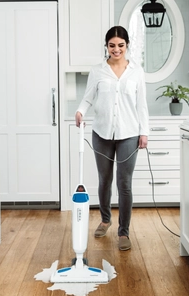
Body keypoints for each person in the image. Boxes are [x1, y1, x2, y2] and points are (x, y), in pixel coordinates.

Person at [75, 26, 149, 251]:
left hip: (129, 133)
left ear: (127, 46)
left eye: (120, 45)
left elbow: (141, 105)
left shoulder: (136, 71)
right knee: (104, 180)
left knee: (124, 183)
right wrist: (80, 111)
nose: (116, 49)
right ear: (106, 46)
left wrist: (144, 131)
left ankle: (123, 232)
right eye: (112, 45)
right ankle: (105, 220)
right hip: (102, 133)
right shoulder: (97, 71)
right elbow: (88, 98)